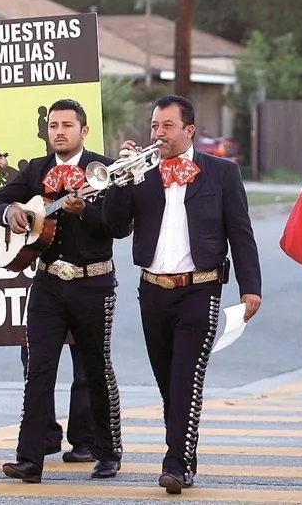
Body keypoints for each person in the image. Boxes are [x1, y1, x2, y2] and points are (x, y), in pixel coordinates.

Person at [103, 95, 262, 494]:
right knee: (167, 382)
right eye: (155, 126)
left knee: (186, 377)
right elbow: (116, 226)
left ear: (189, 130)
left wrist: (250, 286)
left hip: (201, 286)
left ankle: (174, 464)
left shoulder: (222, 172)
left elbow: (240, 230)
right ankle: (185, 454)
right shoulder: (141, 173)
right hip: (153, 289)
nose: (159, 134)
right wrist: (121, 183)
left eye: (167, 126)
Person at [0, 99, 124, 483]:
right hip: (46, 282)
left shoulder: (104, 169)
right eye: (53, 125)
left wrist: (86, 212)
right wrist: (9, 211)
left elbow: (120, 225)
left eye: (67, 125)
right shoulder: (35, 169)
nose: (58, 131)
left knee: (96, 366)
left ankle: (107, 452)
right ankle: (29, 459)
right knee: (39, 369)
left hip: (93, 281)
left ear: (84, 131)